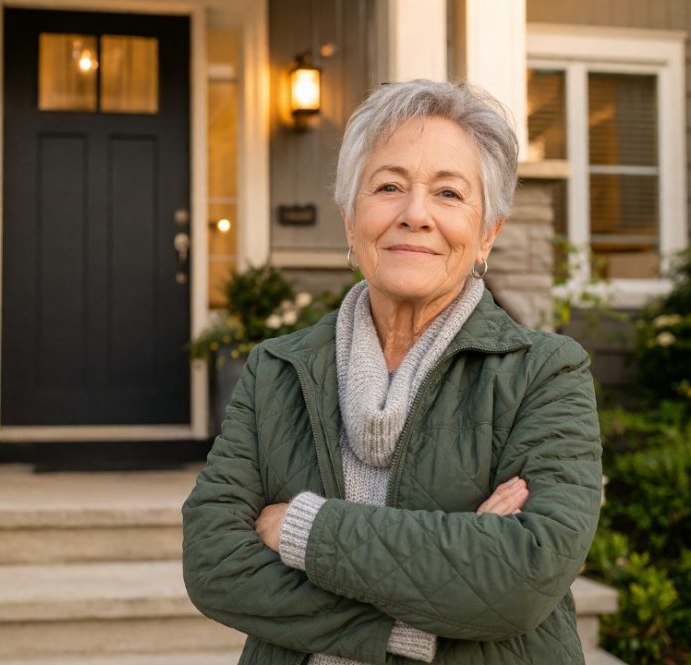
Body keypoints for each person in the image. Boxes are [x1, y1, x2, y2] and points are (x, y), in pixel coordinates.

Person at [182, 80, 603, 665]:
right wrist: (433, 600)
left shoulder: (544, 375)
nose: (415, 215)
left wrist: (304, 528)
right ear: (351, 221)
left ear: (488, 234)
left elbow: (522, 575)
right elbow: (214, 564)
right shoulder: (276, 371)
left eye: (449, 194)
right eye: (389, 186)